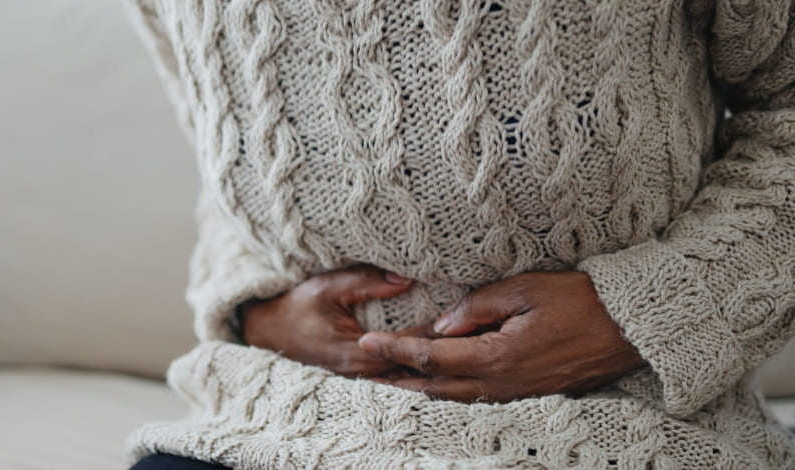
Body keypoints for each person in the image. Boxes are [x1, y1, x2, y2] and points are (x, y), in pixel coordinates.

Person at [125, 0, 795, 468]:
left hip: (619, 423)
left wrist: (637, 317)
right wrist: (259, 312)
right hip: (284, 418)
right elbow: (232, 166)